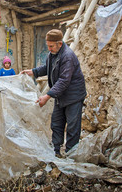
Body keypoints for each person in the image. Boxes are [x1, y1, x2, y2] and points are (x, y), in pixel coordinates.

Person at [22, 29, 86, 158]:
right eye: (48, 46)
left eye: (51, 46)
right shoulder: (52, 54)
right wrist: (33, 72)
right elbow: (47, 68)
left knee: (72, 127)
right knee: (56, 123)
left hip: (73, 96)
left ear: (60, 44)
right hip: (61, 95)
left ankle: (71, 155)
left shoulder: (68, 56)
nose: (49, 49)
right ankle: (56, 152)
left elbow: (63, 81)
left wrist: (47, 96)